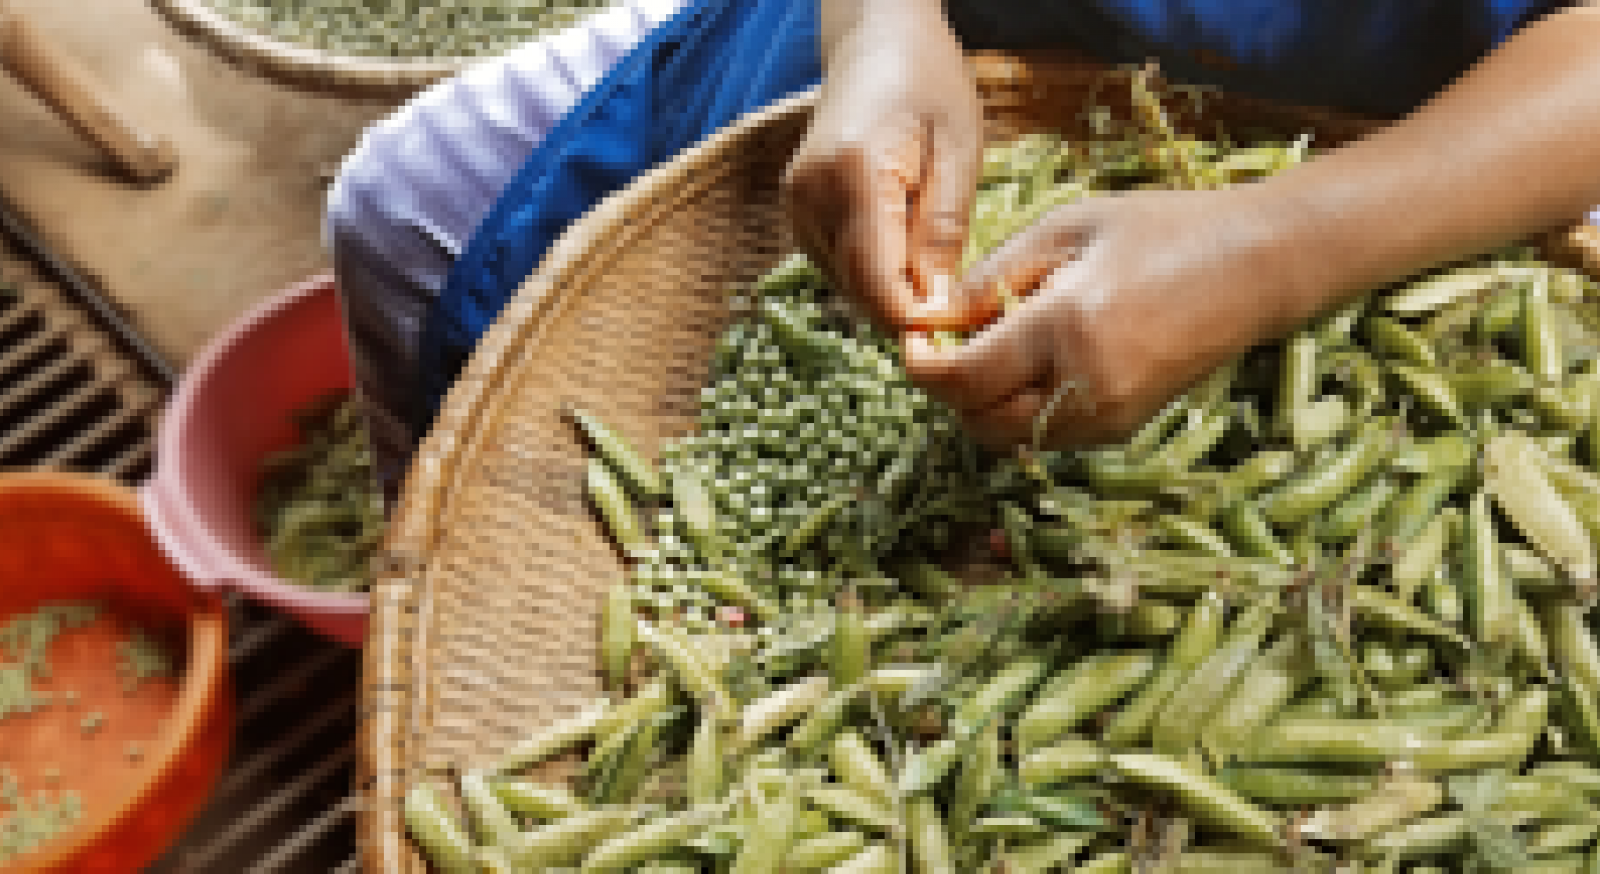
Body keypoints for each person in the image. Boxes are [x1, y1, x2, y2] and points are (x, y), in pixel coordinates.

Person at [327, 0, 1600, 499]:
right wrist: (877, 28)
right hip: (909, 55)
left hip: (1397, 150)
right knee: (391, 207)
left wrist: (1271, 250)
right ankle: (416, 599)